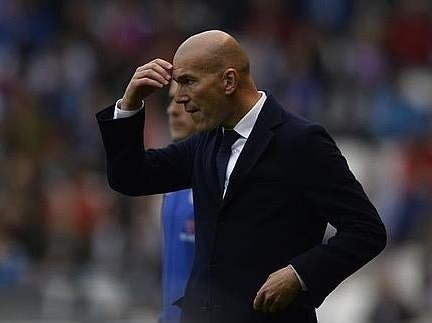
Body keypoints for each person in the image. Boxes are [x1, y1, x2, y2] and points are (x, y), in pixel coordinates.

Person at [96, 30, 387, 323]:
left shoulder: (301, 142)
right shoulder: (205, 141)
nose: (180, 98)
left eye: (188, 82)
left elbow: (366, 229)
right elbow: (130, 178)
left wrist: (299, 274)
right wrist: (129, 105)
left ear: (229, 81)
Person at [160, 81, 197, 323]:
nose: (171, 110)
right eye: (170, 100)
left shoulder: (226, 182)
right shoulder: (169, 181)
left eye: (183, 101)